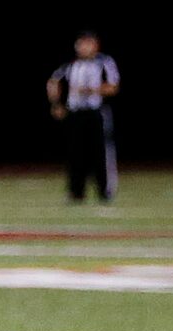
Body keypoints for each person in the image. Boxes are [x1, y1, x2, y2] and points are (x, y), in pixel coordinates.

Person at [46, 31, 121, 203]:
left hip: (96, 113)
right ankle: (75, 192)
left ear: (96, 45)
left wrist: (92, 90)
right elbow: (53, 82)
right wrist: (57, 104)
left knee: (100, 153)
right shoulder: (71, 64)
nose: (84, 47)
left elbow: (113, 86)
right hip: (75, 113)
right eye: (81, 43)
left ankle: (105, 191)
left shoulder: (104, 62)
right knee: (75, 153)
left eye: (88, 43)